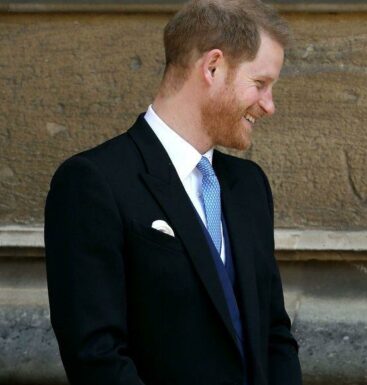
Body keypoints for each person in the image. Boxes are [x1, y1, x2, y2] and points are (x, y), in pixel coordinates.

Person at [44, 1, 301, 384]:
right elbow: (96, 356)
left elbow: (274, 334)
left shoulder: (249, 186)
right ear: (212, 67)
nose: (269, 105)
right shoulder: (93, 182)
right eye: (260, 84)